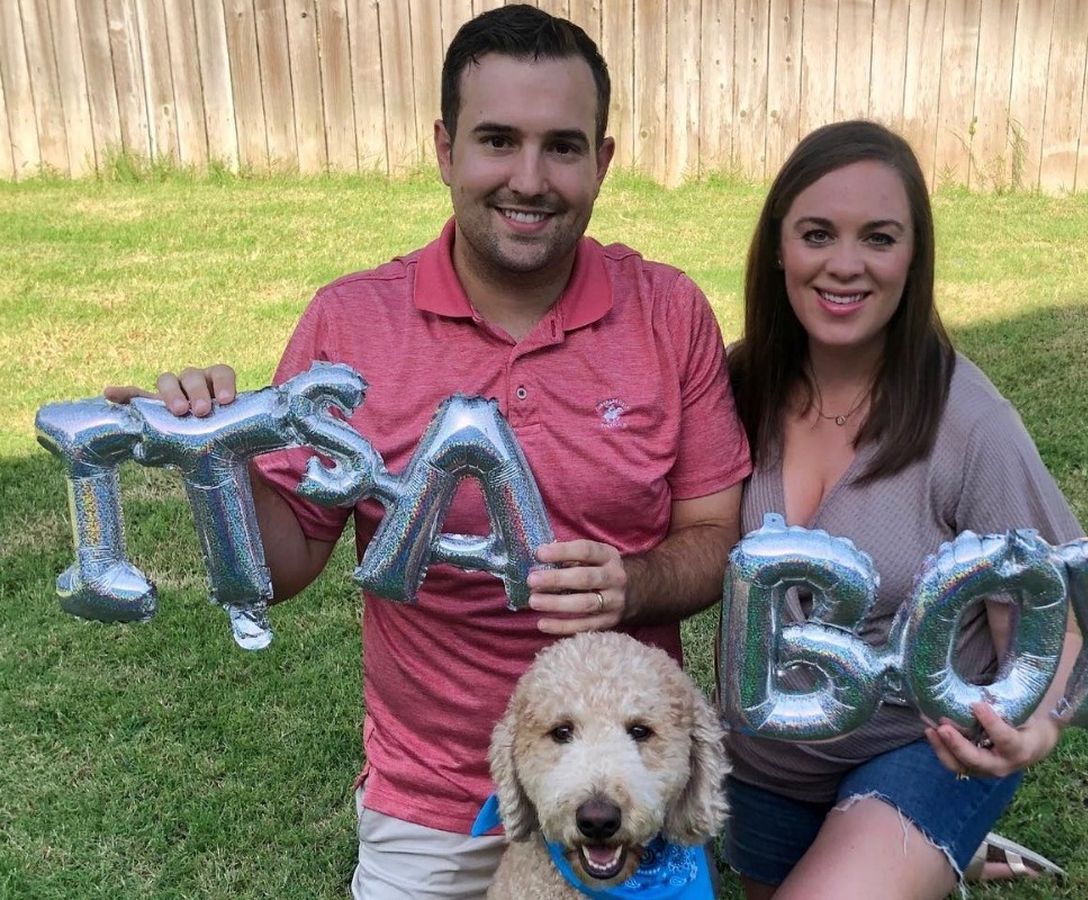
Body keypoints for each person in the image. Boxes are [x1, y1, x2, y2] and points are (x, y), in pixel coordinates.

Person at [106, 6, 750, 897]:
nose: (530, 179)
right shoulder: (352, 323)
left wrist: (634, 583)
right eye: (498, 140)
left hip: (625, 789)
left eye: (563, 147)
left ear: (602, 161)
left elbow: (717, 535)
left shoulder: (668, 313)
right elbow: (284, 565)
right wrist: (215, 461)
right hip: (431, 799)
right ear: (445, 149)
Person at [722, 120, 1083, 900]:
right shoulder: (736, 388)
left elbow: (1065, 615)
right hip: (766, 762)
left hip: (925, 750)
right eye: (817, 234)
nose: (845, 264)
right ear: (779, 246)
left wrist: (1039, 724)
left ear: (913, 257)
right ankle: (925, 857)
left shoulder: (970, 425)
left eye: (879, 238)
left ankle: (921, 835)